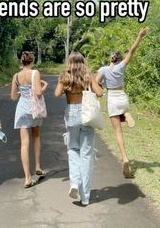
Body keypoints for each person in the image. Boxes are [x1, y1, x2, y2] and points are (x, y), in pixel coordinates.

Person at [95, 27, 149, 178]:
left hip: (111, 98)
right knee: (123, 110)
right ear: (119, 59)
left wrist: (100, 87)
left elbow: (95, 82)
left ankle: (125, 158)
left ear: (110, 59)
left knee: (118, 131)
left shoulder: (104, 69)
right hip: (122, 97)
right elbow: (132, 50)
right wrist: (139, 35)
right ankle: (126, 114)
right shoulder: (121, 67)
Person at [54, 51, 103, 206]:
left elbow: (56, 93)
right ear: (83, 62)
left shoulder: (65, 76)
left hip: (71, 114)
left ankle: (74, 182)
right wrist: (92, 83)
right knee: (86, 154)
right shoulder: (88, 76)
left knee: (72, 149)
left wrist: (63, 84)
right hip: (86, 115)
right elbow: (100, 93)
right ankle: (85, 196)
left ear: (69, 62)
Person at [11, 51, 48, 188]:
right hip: (34, 110)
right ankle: (37, 166)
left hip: (22, 109)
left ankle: (27, 177)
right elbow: (38, 93)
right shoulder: (35, 73)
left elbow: (13, 97)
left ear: (21, 61)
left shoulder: (16, 76)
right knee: (36, 136)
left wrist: (23, 92)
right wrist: (44, 87)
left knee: (24, 144)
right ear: (32, 61)